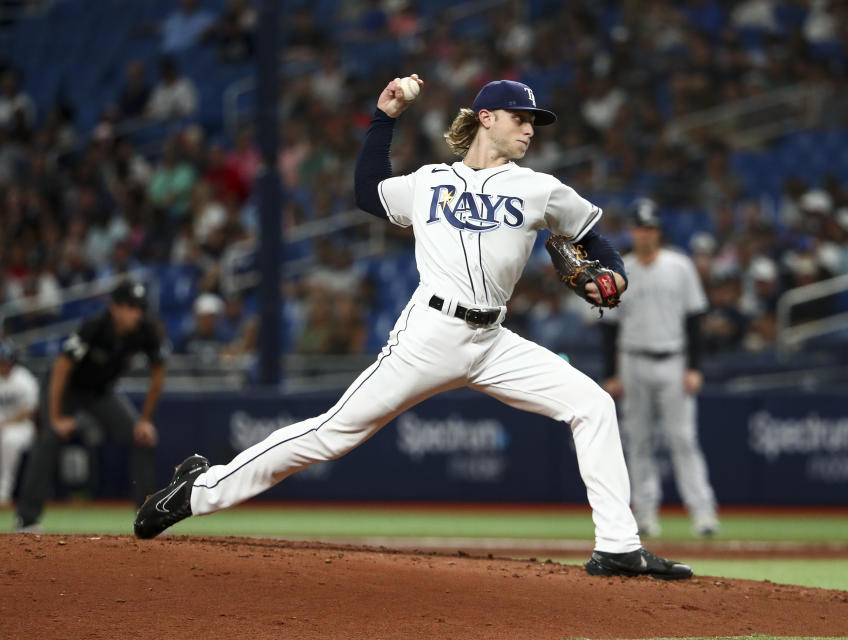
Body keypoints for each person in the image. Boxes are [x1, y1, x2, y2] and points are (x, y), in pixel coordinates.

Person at [134, 76, 693, 580]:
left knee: (592, 404)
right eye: (521, 118)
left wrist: (614, 276)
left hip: (494, 340)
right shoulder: (428, 183)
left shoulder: (539, 188)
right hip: (429, 334)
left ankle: (618, 545)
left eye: (533, 122)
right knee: (332, 434)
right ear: (486, 119)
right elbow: (366, 191)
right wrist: (386, 117)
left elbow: (595, 239)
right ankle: (199, 490)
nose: (529, 128)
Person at [602, 199, 719, 537]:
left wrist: (694, 366)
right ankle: (646, 514)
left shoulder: (679, 266)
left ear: (658, 232)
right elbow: (609, 326)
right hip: (633, 361)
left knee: (683, 439)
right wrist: (611, 372)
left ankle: (703, 514)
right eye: (640, 227)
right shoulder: (620, 269)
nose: (645, 233)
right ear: (632, 231)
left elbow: (695, 318)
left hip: (673, 359)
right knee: (638, 441)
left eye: (650, 227)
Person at [14, 280, 168, 531]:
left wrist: (145, 420)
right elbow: (61, 369)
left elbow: (159, 373)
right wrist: (54, 418)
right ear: (114, 308)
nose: (136, 313)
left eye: (139, 307)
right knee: (49, 438)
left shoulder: (146, 330)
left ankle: (149, 517)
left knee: (141, 436)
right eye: (130, 307)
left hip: (100, 392)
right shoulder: (94, 327)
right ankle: (26, 519)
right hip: (64, 389)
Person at [0, 340, 38, 507]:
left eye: (6, 361)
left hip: (22, 426)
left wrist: (6, 423)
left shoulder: (24, 379)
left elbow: (30, 411)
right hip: (3, 424)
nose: (3, 365)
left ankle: (4, 492)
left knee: (9, 441)